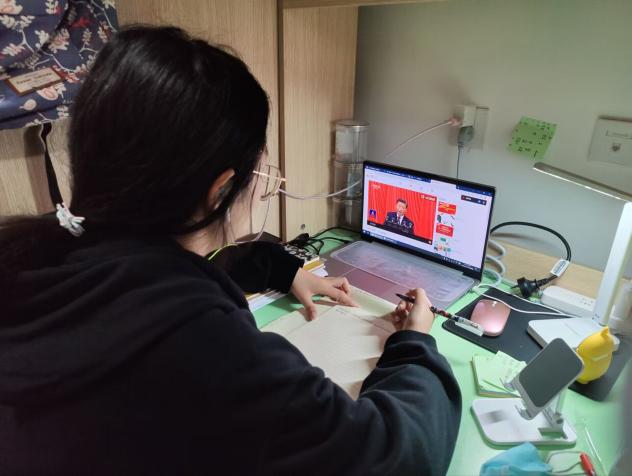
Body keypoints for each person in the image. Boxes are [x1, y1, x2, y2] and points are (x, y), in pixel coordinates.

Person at [0, 27, 461, 475]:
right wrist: (415, 344)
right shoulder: (204, 346)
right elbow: (395, 456)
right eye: (260, 176)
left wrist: (285, 270)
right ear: (220, 190)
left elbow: (167, 272)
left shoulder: (45, 253)